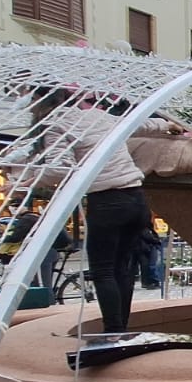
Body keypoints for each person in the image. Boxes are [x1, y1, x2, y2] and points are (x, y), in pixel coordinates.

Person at [27, 89, 165, 335]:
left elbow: (60, 170)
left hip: (107, 202)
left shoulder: (55, 125)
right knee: (123, 269)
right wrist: (167, 125)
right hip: (137, 200)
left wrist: (28, 181)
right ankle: (120, 330)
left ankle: (113, 332)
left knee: (103, 270)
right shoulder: (98, 117)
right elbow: (142, 123)